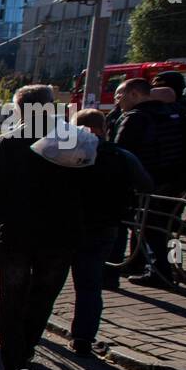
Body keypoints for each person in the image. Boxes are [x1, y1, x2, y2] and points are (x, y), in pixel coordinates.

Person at [0, 84, 96, 370]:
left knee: (10, 299)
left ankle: (11, 364)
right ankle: (27, 349)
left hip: (15, 235)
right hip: (59, 236)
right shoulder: (73, 141)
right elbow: (89, 188)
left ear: (19, 109)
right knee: (43, 295)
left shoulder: (5, 144)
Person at [68, 108, 153, 357]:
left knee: (48, 282)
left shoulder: (66, 154)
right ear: (104, 129)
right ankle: (82, 338)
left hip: (68, 227)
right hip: (105, 227)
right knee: (90, 285)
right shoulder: (122, 156)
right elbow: (146, 184)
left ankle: (32, 331)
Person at [111, 77, 186, 286]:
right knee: (170, 226)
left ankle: (161, 271)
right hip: (176, 183)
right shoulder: (178, 115)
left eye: (120, 95)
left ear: (135, 94)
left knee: (151, 228)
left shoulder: (135, 118)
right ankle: (171, 266)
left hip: (148, 182)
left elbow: (121, 154)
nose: (118, 101)